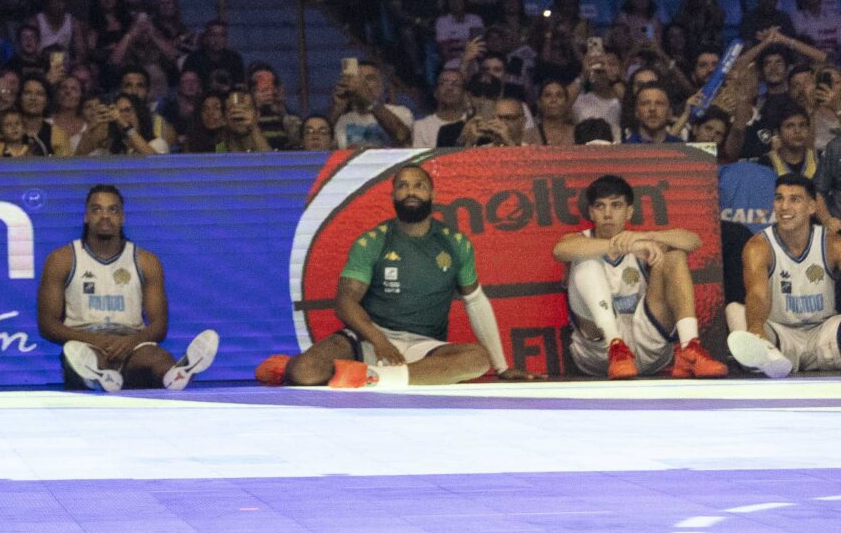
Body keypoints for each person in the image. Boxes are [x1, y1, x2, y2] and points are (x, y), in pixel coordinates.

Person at [268, 165, 530, 389]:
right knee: (303, 372)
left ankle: (374, 378)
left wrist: (502, 366)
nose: (411, 191)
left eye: (419, 185)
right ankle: (287, 366)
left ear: (432, 194)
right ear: (393, 194)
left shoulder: (455, 243)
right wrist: (380, 342)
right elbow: (345, 303)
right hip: (370, 339)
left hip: (424, 346)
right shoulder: (373, 241)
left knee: (476, 360)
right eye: (403, 186)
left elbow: (475, 301)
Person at [36, 183, 219, 393]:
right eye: (97, 209)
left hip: (133, 344)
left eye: (112, 210)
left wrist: (132, 341)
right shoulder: (62, 259)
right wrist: (98, 341)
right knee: (77, 357)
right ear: (86, 216)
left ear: (122, 218)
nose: (105, 216)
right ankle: (98, 377)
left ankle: (176, 373)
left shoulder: (145, 261)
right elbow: (47, 325)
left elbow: (159, 326)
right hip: (85, 341)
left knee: (156, 358)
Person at [554, 173, 727, 379]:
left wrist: (648, 237)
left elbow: (693, 241)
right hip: (598, 351)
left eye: (616, 205)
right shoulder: (577, 240)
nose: (608, 214)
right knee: (585, 259)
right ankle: (615, 345)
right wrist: (620, 246)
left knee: (674, 256)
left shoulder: (641, 241)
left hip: (647, 344)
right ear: (591, 213)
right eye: (600, 206)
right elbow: (560, 251)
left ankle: (690, 348)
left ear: (629, 212)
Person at [728, 173, 841, 378]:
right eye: (779, 198)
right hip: (779, 335)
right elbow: (757, 295)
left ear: (812, 207)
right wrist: (756, 332)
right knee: (735, 311)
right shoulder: (758, 246)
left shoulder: (832, 244)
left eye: (795, 199)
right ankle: (765, 358)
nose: (784, 207)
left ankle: (762, 362)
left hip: (825, 334)